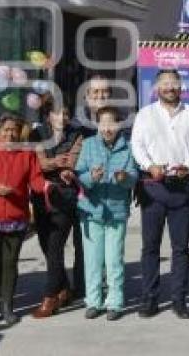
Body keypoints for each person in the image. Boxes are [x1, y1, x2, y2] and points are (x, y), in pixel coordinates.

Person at [131, 69, 189, 319]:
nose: (169, 87)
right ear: (157, 87)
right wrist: (149, 166)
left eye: (174, 83)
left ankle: (179, 299)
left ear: (181, 86)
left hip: (181, 188)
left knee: (180, 248)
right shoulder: (145, 114)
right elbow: (137, 145)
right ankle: (150, 299)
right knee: (150, 248)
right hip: (153, 189)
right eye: (164, 83)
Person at [0, 113, 46, 326]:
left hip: (17, 216)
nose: (10, 133)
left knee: (10, 263)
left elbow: (35, 178)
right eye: (5, 129)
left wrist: (48, 188)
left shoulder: (26, 152)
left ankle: (8, 307)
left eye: (14, 129)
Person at [75, 106, 139, 321]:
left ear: (119, 125)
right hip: (91, 211)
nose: (107, 128)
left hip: (116, 211)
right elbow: (80, 176)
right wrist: (91, 177)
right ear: (97, 125)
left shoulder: (128, 148)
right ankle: (93, 301)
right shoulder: (88, 144)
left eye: (112, 123)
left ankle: (115, 302)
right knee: (92, 261)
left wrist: (124, 179)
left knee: (113, 260)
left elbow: (133, 177)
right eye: (103, 123)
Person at [28, 102, 84, 318]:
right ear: (49, 115)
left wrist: (64, 166)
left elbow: (74, 159)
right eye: (58, 113)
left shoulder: (76, 133)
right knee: (45, 244)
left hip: (65, 196)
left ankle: (50, 297)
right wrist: (55, 162)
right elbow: (38, 162)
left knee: (54, 246)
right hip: (41, 194)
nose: (62, 118)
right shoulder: (37, 133)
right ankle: (64, 288)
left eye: (66, 113)